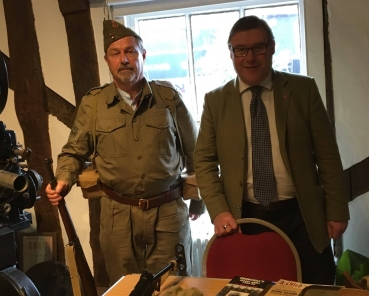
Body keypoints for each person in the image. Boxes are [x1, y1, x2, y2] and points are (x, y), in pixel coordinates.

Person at [46, 19, 204, 286]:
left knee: (173, 288)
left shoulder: (169, 98)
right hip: (117, 216)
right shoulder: (94, 104)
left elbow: (197, 153)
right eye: (115, 53)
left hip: (167, 213)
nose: (124, 60)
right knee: (124, 287)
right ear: (107, 61)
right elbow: (73, 152)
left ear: (143, 55)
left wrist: (200, 199)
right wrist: (63, 179)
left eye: (130, 51)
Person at [194, 15, 349, 285]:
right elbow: (204, 161)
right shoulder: (215, 101)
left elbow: (328, 157)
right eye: (240, 50)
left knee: (317, 286)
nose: (250, 57)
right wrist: (218, 210)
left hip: (302, 214)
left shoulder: (303, 90)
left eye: (258, 47)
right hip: (245, 216)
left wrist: (337, 209)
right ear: (231, 53)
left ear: (273, 47)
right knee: (256, 285)